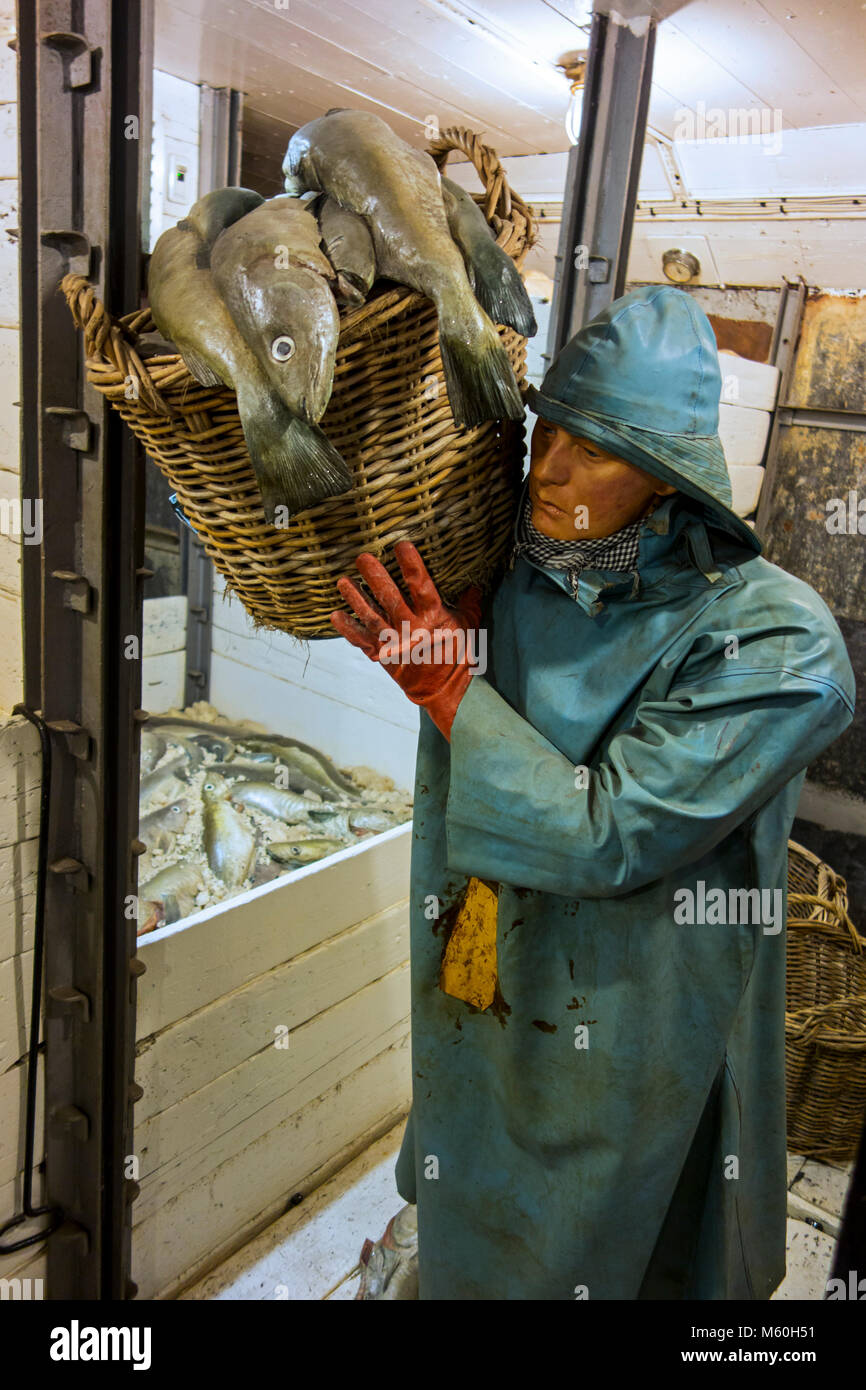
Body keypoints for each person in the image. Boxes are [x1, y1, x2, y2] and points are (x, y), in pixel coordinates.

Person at [329, 284, 856, 1300]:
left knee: (606, 1236)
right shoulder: (522, 574)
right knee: (471, 1163)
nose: (550, 471)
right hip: (489, 964)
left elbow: (603, 831)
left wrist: (449, 686)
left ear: (667, 481)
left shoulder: (775, 642)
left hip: (634, 1013)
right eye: (547, 434)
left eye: (594, 450)